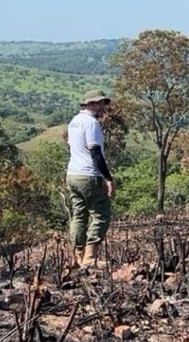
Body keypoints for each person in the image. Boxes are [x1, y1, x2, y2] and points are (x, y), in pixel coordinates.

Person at [66, 90, 115, 268]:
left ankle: (78, 255)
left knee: (79, 216)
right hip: (89, 175)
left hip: (72, 174)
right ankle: (90, 257)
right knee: (101, 215)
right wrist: (108, 178)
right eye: (101, 103)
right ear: (91, 104)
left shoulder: (74, 122)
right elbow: (95, 152)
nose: (104, 107)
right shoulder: (91, 123)